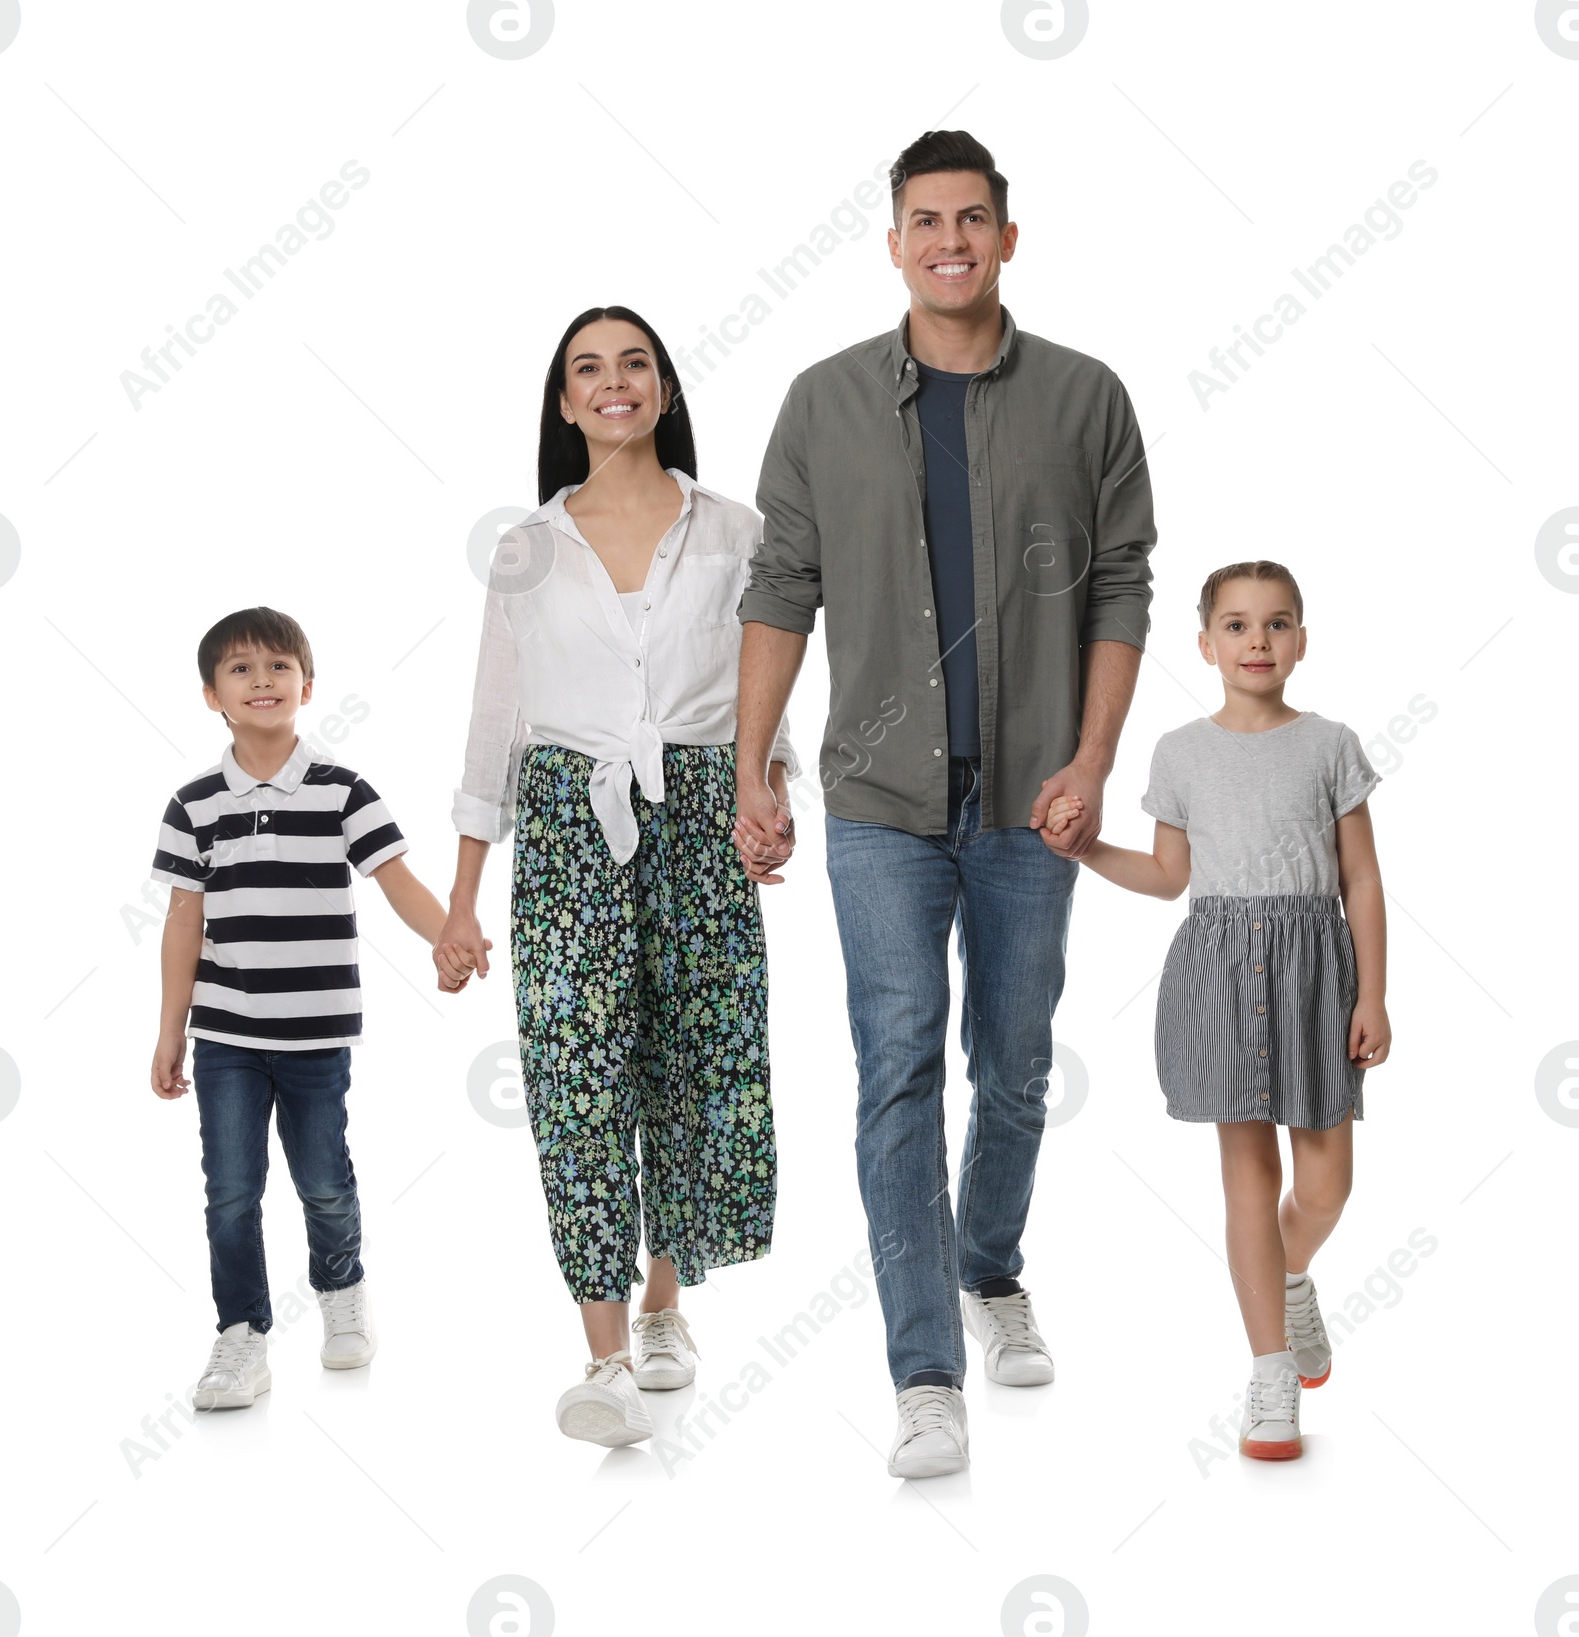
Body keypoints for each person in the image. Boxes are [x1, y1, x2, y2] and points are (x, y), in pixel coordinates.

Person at [733, 130, 1157, 1477]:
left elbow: (1120, 589)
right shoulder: (822, 402)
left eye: (973, 218)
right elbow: (778, 591)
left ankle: (990, 1265)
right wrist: (757, 764)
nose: (950, 239)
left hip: (1036, 802)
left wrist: (1091, 763)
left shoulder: (1088, 399)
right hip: (877, 800)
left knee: (1017, 1065)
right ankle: (924, 1371)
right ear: (896, 241)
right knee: (899, 1062)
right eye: (926, 220)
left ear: (1008, 238)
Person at [436, 306, 799, 1448]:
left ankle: (661, 1308)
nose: (612, 382)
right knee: (575, 1073)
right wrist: (459, 893)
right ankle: (600, 1354)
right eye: (587, 369)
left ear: (664, 387)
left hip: (697, 808)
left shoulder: (736, 531)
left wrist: (769, 786)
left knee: (689, 1061)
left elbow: (767, 686)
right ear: (563, 401)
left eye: (632, 363)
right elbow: (496, 719)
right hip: (563, 817)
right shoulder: (526, 548)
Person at [1047, 560, 1390, 1460]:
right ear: (1205, 644)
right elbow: (1168, 878)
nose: (1257, 641)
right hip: (1221, 974)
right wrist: (1089, 852)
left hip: (1319, 974)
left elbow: (1361, 877)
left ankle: (1293, 1275)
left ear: (1302, 641)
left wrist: (1375, 994)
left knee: (1326, 1186)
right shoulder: (1180, 753)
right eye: (1236, 626)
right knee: (1248, 1180)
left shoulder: (1331, 745)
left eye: (1277, 624)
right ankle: (1271, 1372)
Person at [149, 607, 451, 1409]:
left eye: (278, 667)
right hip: (224, 1035)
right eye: (241, 670)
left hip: (316, 1033)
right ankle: (241, 1335)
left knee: (322, 1177)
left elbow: (397, 881)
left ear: (307, 686)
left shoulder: (343, 790)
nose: (262, 681)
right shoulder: (194, 804)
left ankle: (342, 1286)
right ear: (211, 693)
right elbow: (185, 920)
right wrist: (169, 1029)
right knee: (231, 1188)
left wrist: (448, 934)